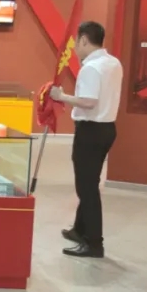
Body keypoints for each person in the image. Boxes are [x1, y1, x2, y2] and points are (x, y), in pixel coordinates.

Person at [50, 21, 123, 258]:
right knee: (90, 182)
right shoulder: (113, 63)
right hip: (107, 128)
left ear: (83, 40)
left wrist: (61, 96)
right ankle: (79, 229)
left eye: (76, 42)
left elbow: (89, 102)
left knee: (87, 188)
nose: (74, 48)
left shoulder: (91, 68)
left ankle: (94, 243)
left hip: (90, 131)